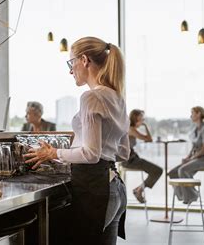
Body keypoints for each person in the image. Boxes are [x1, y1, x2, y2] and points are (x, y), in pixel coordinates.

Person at [23, 37, 130, 244]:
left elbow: (91, 154)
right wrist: (61, 157)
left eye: (71, 63)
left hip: (95, 189)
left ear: (84, 60)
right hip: (115, 187)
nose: (70, 70)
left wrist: (54, 153)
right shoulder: (118, 97)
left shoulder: (91, 97)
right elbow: (122, 152)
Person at [168, 106, 204, 204]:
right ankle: (183, 196)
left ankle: (192, 196)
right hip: (196, 159)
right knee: (172, 172)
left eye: (192, 113)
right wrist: (187, 158)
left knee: (182, 170)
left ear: (199, 114)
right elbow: (194, 147)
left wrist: (191, 159)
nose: (190, 115)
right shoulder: (195, 129)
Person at [122, 109, 163, 203]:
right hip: (129, 160)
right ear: (135, 118)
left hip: (132, 158)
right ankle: (139, 190)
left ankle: (139, 189)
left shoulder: (131, 128)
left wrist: (143, 125)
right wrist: (146, 126)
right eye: (141, 118)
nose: (143, 120)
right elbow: (149, 139)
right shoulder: (131, 129)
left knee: (157, 170)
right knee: (158, 170)